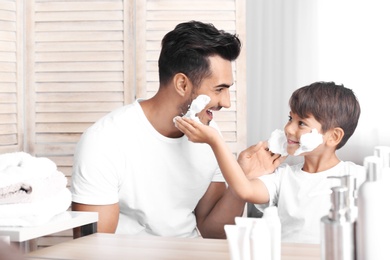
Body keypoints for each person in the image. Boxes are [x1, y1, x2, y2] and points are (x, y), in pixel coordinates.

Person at [71, 20, 283, 239]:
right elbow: (93, 246)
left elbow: (212, 232)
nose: (227, 103)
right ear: (182, 84)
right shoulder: (104, 141)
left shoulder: (209, 134)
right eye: (219, 89)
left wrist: (241, 180)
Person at [174, 81, 365, 243]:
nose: (289, 128)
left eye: (301, 123)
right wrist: (215, 141)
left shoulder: (358, 178)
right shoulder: (282, 177)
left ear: (333, 136)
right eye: (290, 118)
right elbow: (244, 189)